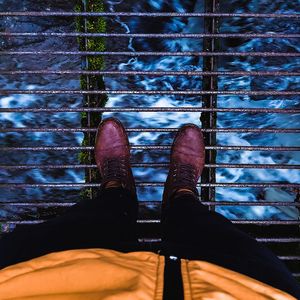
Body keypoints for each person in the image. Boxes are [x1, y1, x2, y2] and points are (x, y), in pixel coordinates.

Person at [0, 117, 299, 299]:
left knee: (89, 226)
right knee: (207, 231)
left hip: (43, 283)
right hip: (237, 288)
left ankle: (117, 189)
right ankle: (181, 194)